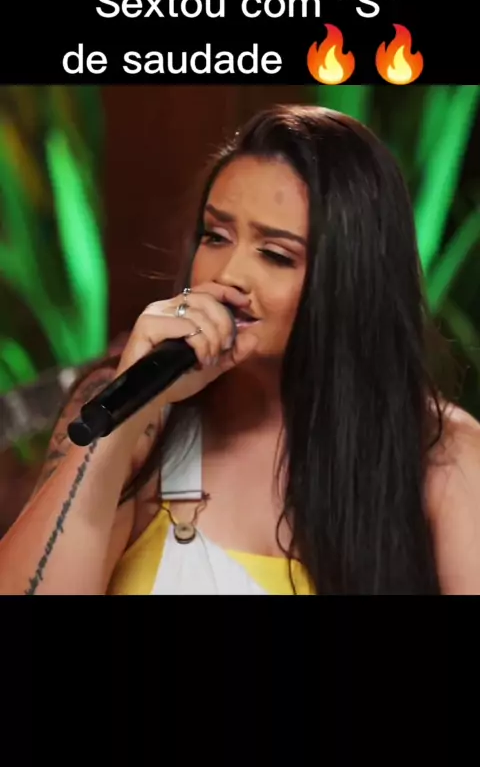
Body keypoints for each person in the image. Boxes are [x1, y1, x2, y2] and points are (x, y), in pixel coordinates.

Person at [1, 103, 480, 595]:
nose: (228, 275)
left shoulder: (442, 453)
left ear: (354, 281)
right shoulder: (136, 419)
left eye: (275, 255)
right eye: (216, 236)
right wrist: (124, 416)